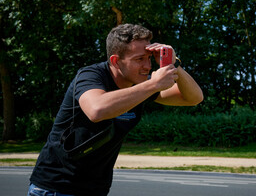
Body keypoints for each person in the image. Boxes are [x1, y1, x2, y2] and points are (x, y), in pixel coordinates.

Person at [28, 23, 203, 196]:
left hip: (95, 190)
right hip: (55, 188)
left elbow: (193, 98)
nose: (148, 66)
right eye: (139, 59)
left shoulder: (140, 84)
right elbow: (97, 110)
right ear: (115, 61)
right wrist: (153, 84)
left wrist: (175, 65)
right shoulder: (90, 76)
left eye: (149, 58)